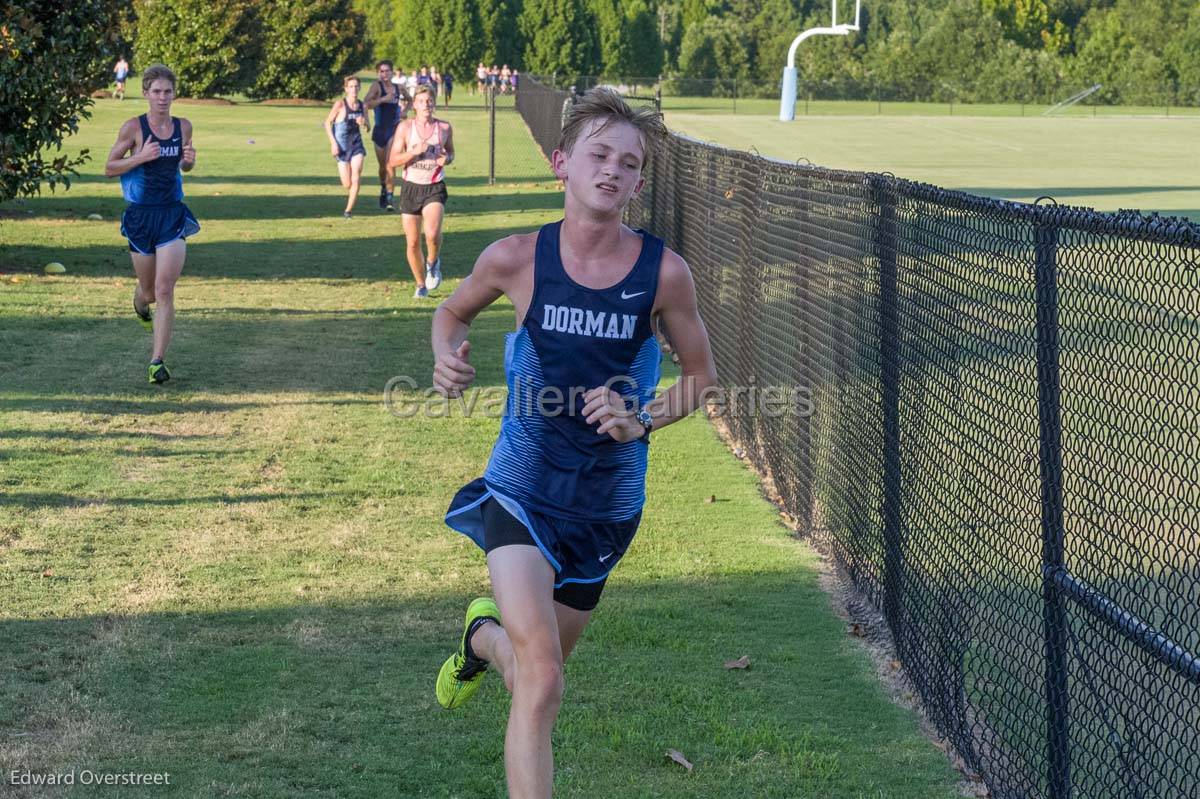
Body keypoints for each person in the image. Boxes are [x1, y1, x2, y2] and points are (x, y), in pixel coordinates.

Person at [431, 88, 718, 799]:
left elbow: (702, 376)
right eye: (598, 154)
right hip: (522, 489)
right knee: (545, 679)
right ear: (563, 163)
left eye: (629, 163)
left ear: (639, 183)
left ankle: (481, 638)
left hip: (606, 506)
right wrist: (446, 355)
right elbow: (451, 310)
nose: (612, 171)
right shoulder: (515, 259)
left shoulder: (664, 274)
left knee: (536, 662)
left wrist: (641, 418)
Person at [103, 63, 200, 384]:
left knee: (165, 288)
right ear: (145, 93)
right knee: (148, 292)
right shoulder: (134, 127)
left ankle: (157, 361)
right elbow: (109, 167)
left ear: (174, 94)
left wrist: (187, 162)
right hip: (140, 216)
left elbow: (183, 166)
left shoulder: (183, 126)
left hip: (171, 213)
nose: (162, 97)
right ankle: (139, 303)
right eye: (156, 91)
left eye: (167, 91)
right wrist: (140, 157)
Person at [389, 85, 453, 298]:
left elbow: (450, 153)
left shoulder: (443, 128)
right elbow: (393, 161)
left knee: (433, 234)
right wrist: (413, 152)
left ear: (434, 103)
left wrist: (448, 159)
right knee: (413, 241)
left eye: (430, 100)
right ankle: (420, 284)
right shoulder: (405, 128)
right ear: (414, 105)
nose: (427, 104)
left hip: (434, 186)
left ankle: (433, 262)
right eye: (422, 101)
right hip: (411, 187)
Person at [363, 60, 409, 212]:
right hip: (379, 131)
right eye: (382, 71)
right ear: (378, 73)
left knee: (390, 164)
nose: (385, 74)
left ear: (392, 72)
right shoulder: (376, 86)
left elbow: (410, 100)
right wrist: (383, 99)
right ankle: (383, 187)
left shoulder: (399, 88)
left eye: (387, 71)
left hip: (394, 130)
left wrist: (404, 111)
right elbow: (366, 103)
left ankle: (390, 197)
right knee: (382, 166)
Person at [324, 75, 369, 219]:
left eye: (356, 86)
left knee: (356, 177)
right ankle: (352, 193)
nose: (354, 89)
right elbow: (327, 123)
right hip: (341, 147)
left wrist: (364, 123)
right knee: (347, 183)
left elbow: (368, 127)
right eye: (351, 86)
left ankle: (348, 211)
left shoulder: (363, 106)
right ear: (346, 89)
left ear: (360, 88)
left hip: (356, 145)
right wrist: (333, 143)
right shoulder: (340, 105)